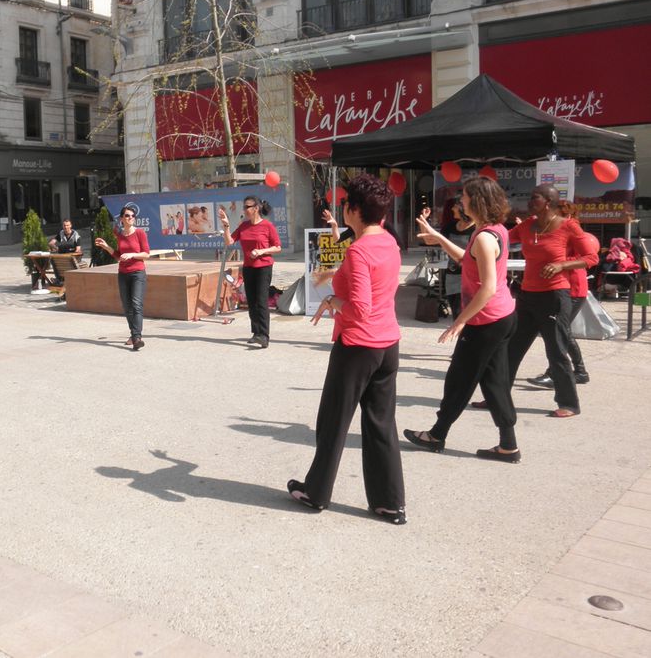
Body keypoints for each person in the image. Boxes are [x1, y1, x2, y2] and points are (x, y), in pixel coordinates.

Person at [287, 174, 405, 524]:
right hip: (387, 344)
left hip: (358, 346)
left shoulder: (359, 251)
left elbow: (359, 308)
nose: (342, 208)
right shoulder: (389, 242)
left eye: (346, 204)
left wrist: (332, 299)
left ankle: (316, 492)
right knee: (381, 424)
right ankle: (390, 503)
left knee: (333, 422)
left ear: (354, 209)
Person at [403, 177, 520, 462]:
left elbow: (488, 288)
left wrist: (460, 321)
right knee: (494, 382)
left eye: (465, 197)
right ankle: (508, 445)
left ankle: (436, 435)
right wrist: (440, 237)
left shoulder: (483, 236)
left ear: (477, 201)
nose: (461, 201)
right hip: (502, 316)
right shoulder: (494, 230)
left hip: (486, 320)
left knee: (459, 380)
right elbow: (467, 261)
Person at [496, 184, 598, 418]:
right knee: (511, 348)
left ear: (549, 202)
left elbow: (591, 257)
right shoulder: (527, 225)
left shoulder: (568, 226)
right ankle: (497, 396)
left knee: (557, 351)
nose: (530, 201)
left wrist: (562, 265)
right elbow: (501, 240)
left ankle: (569, 403)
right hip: (527, 295)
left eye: (535, 198)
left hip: (554, 296)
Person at [529, 202, 597, 388]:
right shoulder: (555, 229)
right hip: (565, 287)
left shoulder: (571, 231)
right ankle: (579, 372)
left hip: (573, 287)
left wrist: (558, 262)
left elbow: (587, 258)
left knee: (559, 332)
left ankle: (558, 373)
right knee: (561, 332)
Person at [218, 196, 282, 349]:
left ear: (256, 208)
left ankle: (264, 336)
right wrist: (226, 226)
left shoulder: (267, 226)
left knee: (261, 301)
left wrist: (261, 251)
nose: (245, 210)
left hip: (263, 267)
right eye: (244, 207)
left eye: (247, 207)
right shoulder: (244, 226)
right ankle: (256, 333)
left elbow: (278, 247)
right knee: (251, 302)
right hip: (248, 267)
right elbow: (229, 242)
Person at [95, 206, 151, 351]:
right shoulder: (119, 235)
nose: (131, 218)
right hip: (123, 273)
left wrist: (132, 254)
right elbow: (118, 255)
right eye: (127, 215)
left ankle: (137, 338)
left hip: (138, 272)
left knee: (136, 304)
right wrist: (106, 246)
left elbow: (146, 254)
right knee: (127, 307)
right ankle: (133, 335)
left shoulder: (140, 233)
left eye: (133, 216)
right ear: (121, 219)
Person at [437, 197, 475, 317]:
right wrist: (424, 224)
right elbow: (430, 241)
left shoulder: (477, 229)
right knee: (456, 311)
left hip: (468, 277)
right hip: (451, 276)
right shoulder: (450, 226)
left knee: (464, 314)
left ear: (462, 208)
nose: (452, 209)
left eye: (455, 206)